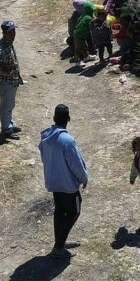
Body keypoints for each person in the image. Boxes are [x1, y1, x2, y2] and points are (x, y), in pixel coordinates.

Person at [39, 104, 88, 259]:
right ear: (68, 119)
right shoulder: (68, 140)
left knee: (60, 212)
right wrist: (84, 178)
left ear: (54, 119)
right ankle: (59, 247)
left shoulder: (45, 138)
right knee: (75, 211)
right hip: (68, 186)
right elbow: (76, 164)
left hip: (54, 183)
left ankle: (60, 240)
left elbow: (44, 158)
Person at [0, 20, 23, 140]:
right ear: (4, 33)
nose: (13, 34)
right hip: (5, 82)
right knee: (5, 105)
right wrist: (4, 73)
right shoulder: (2, 47)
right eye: (10, 32)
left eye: (14, 31)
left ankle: (10, 123)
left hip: (11, 81)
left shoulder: (8, 42)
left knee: (10, 104)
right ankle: (6, 129)